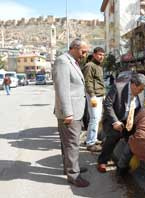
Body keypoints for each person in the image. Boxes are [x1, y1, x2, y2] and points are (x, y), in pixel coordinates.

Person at [52, 38, 89, 187]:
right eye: (83, 51)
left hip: (76, 110)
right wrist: (68, 113)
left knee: (68, 143)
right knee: (72, 144)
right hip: (70, 112)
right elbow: (62, 89)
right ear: (74, 47)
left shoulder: (72, 61)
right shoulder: (62, 61)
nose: (85, 55)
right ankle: (73, 175)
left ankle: (71, 168)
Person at [97, 72, 145, 173]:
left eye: (143, 89)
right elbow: (107, 104)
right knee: (114, 135)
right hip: (114, 119)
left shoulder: (140, 92)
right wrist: (115, 121)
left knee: (139, 136)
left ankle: (124, 164)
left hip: (130, 120)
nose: (142, 91)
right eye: (140, 89)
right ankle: (102, 161)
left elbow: (140, 109)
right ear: (133, 85)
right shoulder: (118, 87)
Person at [82, 47, 105, 152]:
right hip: (94, 95)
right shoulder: (89, 66)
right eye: (99, 54)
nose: (101, 57)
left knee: (97, 118)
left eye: (103, 55)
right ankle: (90, 143)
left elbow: (99, 82)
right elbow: (88, 82)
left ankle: (93, 139)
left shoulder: (98, 66)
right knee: (94, 118)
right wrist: (92, 96)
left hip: (99, 95)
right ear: (94, 54)